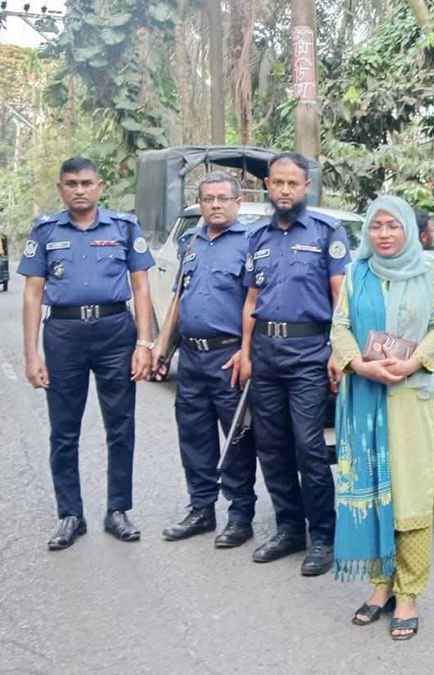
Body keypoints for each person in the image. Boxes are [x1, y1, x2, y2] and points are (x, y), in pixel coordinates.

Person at [328, 195, 434, 641]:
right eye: (376, 226)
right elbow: (339, 327)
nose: (383, 234)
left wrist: (413, 362)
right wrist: (358, 365)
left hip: (408, 396)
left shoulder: (430, 271)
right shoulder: (357, 273)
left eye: (392, 225)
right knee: (373, 487)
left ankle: (410, 593)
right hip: (363, 395)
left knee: (410, 493)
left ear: (408, 230)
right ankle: (380, 588)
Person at [18, 156, 156, 550]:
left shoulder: (123, 228)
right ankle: (70, 515)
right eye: (71, 184)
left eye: (86, 183)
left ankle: (118, 510)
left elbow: (142, 287)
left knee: (121, 426)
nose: (79, 190)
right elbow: (32, 293)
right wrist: (31, 354)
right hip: (63, 334)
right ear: (61, 189)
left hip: (116, 332)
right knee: (64, 430)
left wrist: (144, 343)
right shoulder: (45, 232)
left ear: (100, 186)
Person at [239, 152, 350, 576]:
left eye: (293, 184)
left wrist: (340, 352)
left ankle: (323, 535)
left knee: (308, 446)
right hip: (266, 353)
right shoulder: (257, 238)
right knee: (271, 445)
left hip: (308, 354)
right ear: (268, 186)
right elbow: (251, 301)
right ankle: (288, 529)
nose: (284, 191)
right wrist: (246, 353)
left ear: (305, 188)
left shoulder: (326, 232)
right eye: (278, 183)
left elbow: (340, 297)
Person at [153, 171, 257, 547]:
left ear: (237, 201)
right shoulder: (191, 241)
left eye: (222, 198)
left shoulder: (250, 243)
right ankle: (201, 509)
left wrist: (247, 352)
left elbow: (255, 303)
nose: (214, 204)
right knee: (194, 436)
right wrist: (162, 350)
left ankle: (240, 515)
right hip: (192, 359)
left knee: (236, 440)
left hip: (228, 357)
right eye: (208, 198)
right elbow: (179, 299)